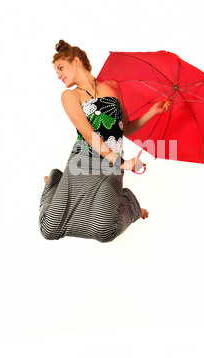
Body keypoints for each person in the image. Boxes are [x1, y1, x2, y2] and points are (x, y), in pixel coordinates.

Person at [39, 40, 170, 242]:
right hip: (82, 161)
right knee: (49, 229)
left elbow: (123, 127)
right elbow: (89, 134)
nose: (58, 75)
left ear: (76, 61)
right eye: (56, 71)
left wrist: (153, 112)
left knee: (103, 230)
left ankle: (130, 205)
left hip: (110, 166)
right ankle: (55, 183)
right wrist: (123, 163)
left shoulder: (113, 86)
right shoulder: (69, 96)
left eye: (60, 68)